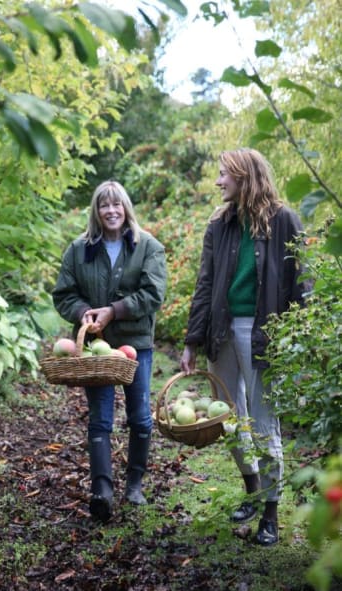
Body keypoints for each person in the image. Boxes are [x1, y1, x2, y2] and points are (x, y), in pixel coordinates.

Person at [181, 148, 310, 546]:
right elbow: (205, 285)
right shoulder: (219, 225)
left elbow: (303, 283)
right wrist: (191, 340)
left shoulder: (284, 220)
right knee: (228, 417)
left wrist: (300, 340)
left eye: (224, 175)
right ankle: (253, 489)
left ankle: (270, 514)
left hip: (265, 333)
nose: (218, 182)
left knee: (264, 421)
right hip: (221, 332)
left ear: (244, 177)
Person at [52, 180, 167, 522]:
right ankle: (102, 489)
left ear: (126, 208)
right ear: (96, 211)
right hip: (95, 349)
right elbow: (63, 294)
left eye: (117, 205)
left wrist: (114, 310)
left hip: (136, 345)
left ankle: (134, 484)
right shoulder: (80, 249)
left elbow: (153, 294)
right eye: (104, 205)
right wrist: (82, 312)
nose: (111, 211)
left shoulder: (148, 247)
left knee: (140, 416)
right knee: (100, 418)